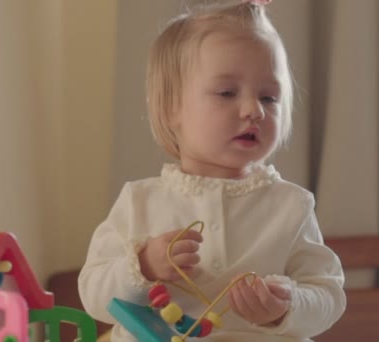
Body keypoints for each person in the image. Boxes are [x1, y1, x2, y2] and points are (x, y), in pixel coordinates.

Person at [79, 0, 346, 340]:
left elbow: (329, 296)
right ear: (172, 106)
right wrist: (143, 266)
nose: (253, 110)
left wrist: (287, 306)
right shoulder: (139, 201)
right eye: (226, 92)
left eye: (269, 98)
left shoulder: (292, 206)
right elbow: (93, 296)